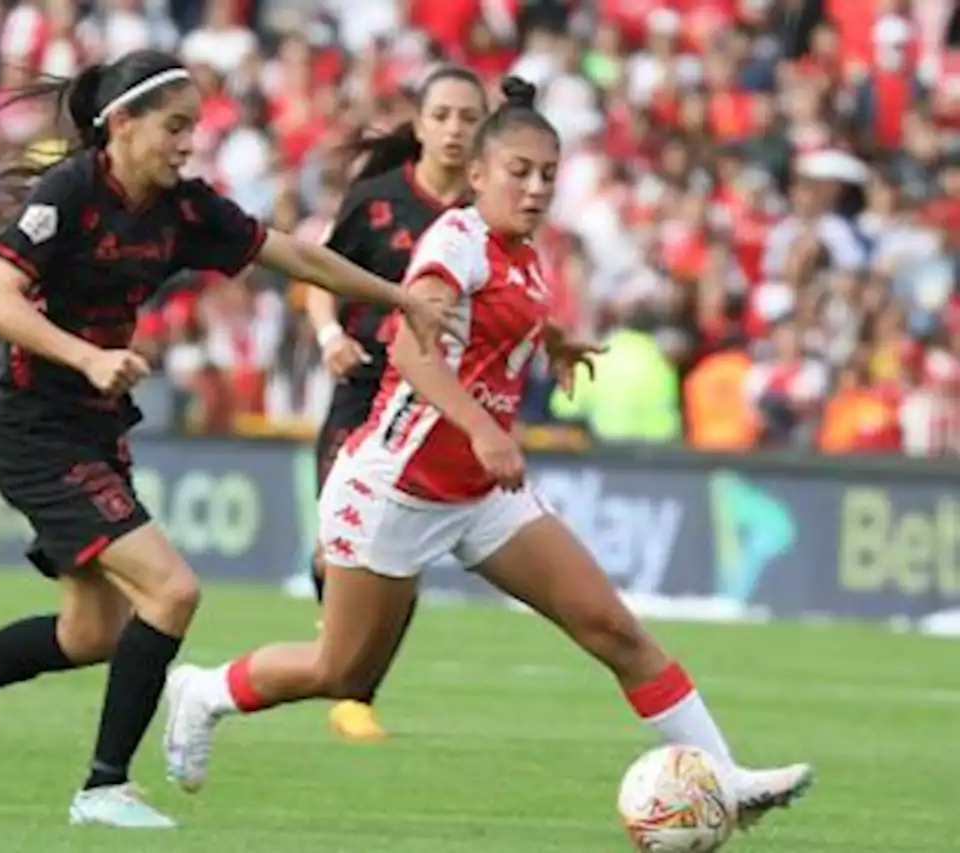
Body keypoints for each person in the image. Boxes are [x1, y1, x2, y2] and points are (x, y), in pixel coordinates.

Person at [161, 77, 814, 830]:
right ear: (477, 174)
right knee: (339, 669)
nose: (535, 188)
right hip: (395, 487)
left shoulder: (525, 254)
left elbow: (504, 324)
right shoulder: (454, 243)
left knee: (612, 627)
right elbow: (410, 350)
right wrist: (482, 427)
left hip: (480, 497)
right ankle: (203, 691)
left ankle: (726, 780)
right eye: (519, 172)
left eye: (547, 175)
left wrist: (558, 342)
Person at [0, 49, 456, 830]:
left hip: (95, 429)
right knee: (173, 591)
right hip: (36, 427)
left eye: (193, 128)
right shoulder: (71, 192)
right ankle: (103, 786)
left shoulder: (184, 208)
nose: (187, 142)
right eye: (174, 126)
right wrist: (88, 354)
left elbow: (293, 253)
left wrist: (398, 295)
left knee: (91, 631)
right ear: (122, 124)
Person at [306, 63, 487, 741]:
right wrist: (328, 334)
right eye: (441, 115)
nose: (453, 129)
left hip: (431, 408)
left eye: (468, 118)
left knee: (399, 560)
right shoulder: (377, 198)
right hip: (362, 395)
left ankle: (357, 692)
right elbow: (318, 275)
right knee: (335, 550)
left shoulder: (482, 217)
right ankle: (340, 661)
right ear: (418, 122)